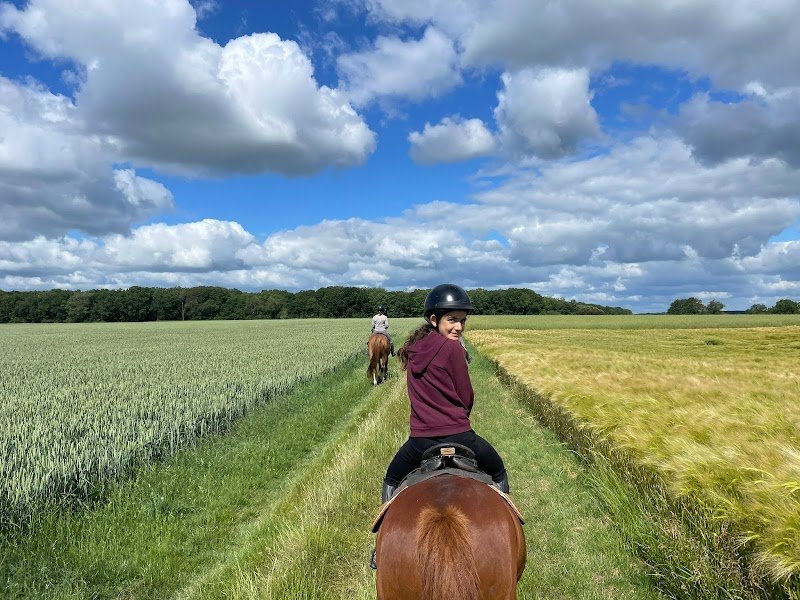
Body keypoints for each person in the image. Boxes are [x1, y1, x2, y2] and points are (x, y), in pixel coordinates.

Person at [369, 283, 509, 569]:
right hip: (462, 436)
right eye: (452, 319)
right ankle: (514, 533)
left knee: (392, 479)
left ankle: (378, 547)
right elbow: (466, 396)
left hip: (420, 441)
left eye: (462, 320)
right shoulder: (454, 350)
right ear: (434, 320)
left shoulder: (411, 352)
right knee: (498, 469)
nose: (458, 326)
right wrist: (458, 416)